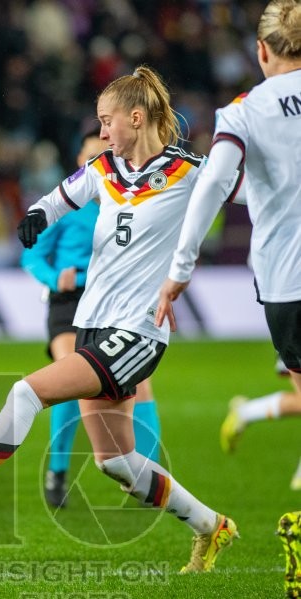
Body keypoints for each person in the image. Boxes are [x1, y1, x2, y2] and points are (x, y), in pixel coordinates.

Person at [0, 66, 238, 573]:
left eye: (107, 120)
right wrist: (37, 217)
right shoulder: (105, 168)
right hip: (92, 322)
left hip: (136, 331)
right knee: (117, 462)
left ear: (137, 118)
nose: (103, 131)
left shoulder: (190, 170)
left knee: (26, 392)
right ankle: (212, 526)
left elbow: (254, 191)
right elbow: (61, 196)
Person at [156, 0, 301, 493]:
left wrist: (180, 269)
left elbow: (215, 183)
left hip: (287, 281)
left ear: (261, 50)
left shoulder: (244, 111)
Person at [21, 129, 162, 508]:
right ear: (79, 164)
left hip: (117, 303)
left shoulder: (132, 201)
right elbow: (31, 254)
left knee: (140, 383)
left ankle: (150, 475)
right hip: (70, 303)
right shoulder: (67, 205)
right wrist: (56, 278)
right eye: (90, 158)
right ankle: (57, 470)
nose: (98, 162)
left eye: (105, 155)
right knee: (71, 375)